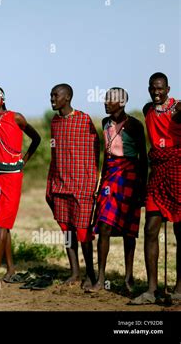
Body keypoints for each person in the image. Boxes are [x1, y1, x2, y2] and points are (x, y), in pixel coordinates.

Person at [0, 86, 41, 286]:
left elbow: (36, 138)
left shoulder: (17, 118)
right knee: (1, 223)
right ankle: (11, 268)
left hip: (12, 176)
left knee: (3, 225)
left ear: (3, 100)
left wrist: (24, 160)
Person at [90, 88, 147, 293]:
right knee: (103, 225)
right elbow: (107, 156)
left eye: (110, 100)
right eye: (105, 99)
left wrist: (142, 189)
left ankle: (129, 278)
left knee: (128, 230)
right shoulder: (105, 123)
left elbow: (143, 159)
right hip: (110, 177)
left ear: (121, 103)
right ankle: (101, 277)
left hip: (130, 177)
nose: (105, 103)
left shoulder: (135, 125)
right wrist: (100, 183)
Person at [131, 72, 181, 304]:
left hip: (178, 171)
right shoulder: (147, 109)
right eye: (153, 88)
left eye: (160, 88)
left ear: (168, 89)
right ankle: (151, 290)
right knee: (151, 229)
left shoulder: (178, 109)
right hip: (157, 172)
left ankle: (179, 289)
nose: (156, 92)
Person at [46, 83, 99, 289]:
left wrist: (91, 182)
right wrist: (50, 183)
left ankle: (91, 274)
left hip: (82, 186)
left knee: (84, 232)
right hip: (60, 185)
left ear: (67, 97)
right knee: (67, 231)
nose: (51, 99)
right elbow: (53, 156)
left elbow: (95, 151)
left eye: (55, 95)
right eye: (51, 95)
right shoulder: (55, 122)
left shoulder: (84, 120)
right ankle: (75, 272)